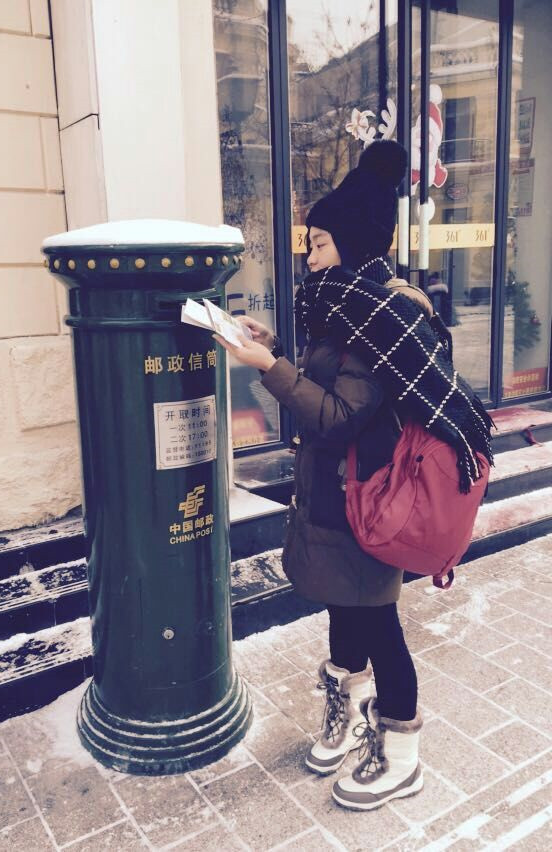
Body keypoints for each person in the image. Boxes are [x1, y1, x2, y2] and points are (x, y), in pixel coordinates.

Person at [214, 139, 493, 812]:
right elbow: (330, 379)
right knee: (348, 613)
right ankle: (347, 710)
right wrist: (274, 346)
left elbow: (340, 414)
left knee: (378, 626)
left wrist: (264, 368)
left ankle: (401, 752)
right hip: (335, 493)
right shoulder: (343, 307)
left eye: (319, 244)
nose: (309, 257)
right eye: (309, 245)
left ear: (355, 242)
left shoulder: (382, 316)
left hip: (369, 497)